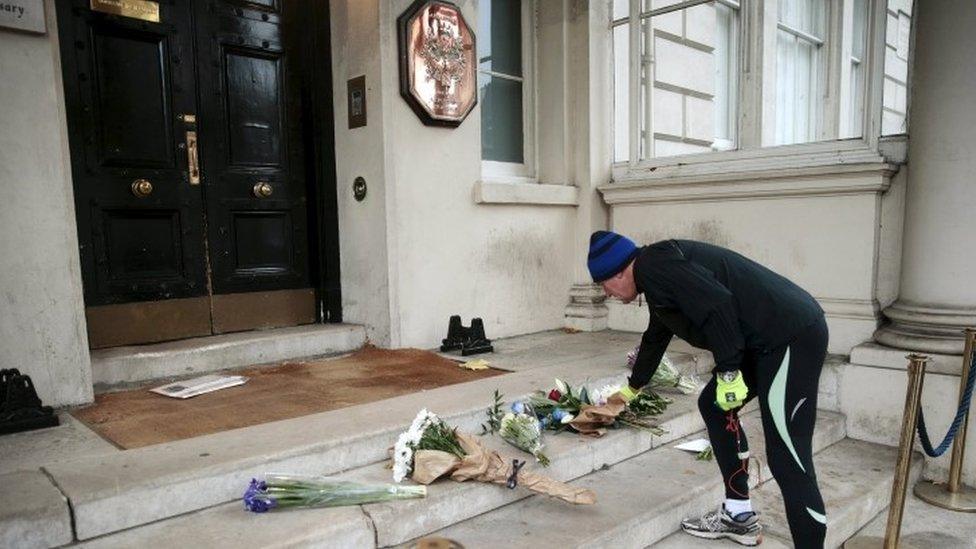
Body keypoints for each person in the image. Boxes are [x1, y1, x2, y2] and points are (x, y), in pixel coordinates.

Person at [587, 230, 828, 548]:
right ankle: (738, 516)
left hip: (789, 336)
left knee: (787, 457)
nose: (607, 293)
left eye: (604, 284)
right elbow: (657, 334)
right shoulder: (656, 273)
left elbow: (718, 305)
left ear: (619, 271)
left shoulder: (654, 266)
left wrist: (728, 372)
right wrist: (632, 389)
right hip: (764, 342)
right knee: (714, 407)